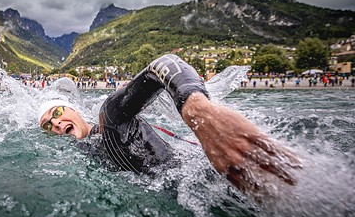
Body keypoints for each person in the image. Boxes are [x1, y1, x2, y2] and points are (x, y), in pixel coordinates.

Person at [37, 54, 301, 196]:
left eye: (58, 112)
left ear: (74, 110)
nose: (57, 123)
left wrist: (203, 115)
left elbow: (162, 64)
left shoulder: (111, 118)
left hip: (212, 182)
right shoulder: (81, 154)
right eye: (48, 125)